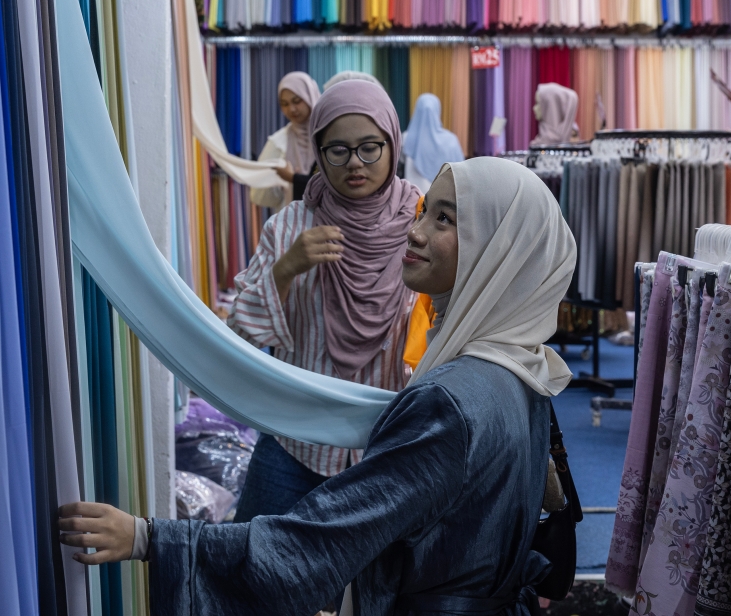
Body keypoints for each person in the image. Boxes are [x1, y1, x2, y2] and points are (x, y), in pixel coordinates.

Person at [58, 157, 578, 616]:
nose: (416, 232)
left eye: (445, 219)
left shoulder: (449, 402)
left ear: (501, 250)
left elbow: (319, 542)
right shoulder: (521, 369)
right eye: (423, 211)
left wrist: (149, 538)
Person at [230, 79, 420, 525]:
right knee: (255, 558)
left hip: (388, 443)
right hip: (296, 439)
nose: (354, 163)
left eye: (369, 147)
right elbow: (239, 332)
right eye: (338, 150)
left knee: (378, 570)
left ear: (392, 144)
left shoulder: (422, 223)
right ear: (318, 150)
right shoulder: (290, 226)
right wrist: (285, 269)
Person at [250, 71, 321, 211]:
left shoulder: (328, 135)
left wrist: (292, 178)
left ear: (310, 96)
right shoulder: (278, 141)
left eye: (297, 101)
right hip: (292, 221)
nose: (291, 109)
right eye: (284, 104)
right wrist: (279, 186)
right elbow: (258, 195)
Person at [401, 93, 465, 194]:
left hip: (413, 196)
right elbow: (461, 172)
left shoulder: (406, 138)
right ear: (437, 111)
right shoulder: (451, 140)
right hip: (443, 196)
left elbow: (400, 162)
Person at [529, 83, 579, 147]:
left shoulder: (573, 143)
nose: (534, 108)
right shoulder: (539, 143)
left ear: (551, 106)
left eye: (538, 103)